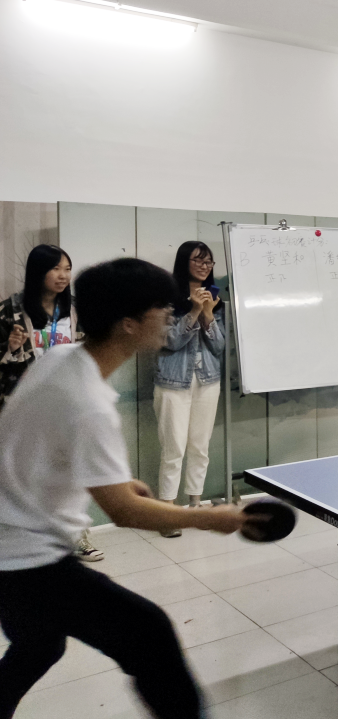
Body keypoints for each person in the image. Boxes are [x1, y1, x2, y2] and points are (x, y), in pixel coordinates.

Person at [0, 257, 252, 719]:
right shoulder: (88, 404)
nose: (171, 315)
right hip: (25, 560)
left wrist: (111, 479)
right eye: (162, 308)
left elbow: (39, 444)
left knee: (40, 644)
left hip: (8, 547)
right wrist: (209, 517)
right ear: (129, 324)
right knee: (149, 632)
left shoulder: (62, 359)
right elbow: (126, 512)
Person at [0, 245, 103, 562]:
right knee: (27, 473)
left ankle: (77, 537)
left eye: (67, 268)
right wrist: (10, 348)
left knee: (70, 471)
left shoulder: (76, 309)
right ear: (38, 272)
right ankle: (28, 538)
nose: (63, 275)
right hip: (25, 403)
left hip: (68, 402)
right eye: (55, 268)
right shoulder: (10, 311)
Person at [153, 242, 225, 538]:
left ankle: (195, 504)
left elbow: (219, 346)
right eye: (198, 260)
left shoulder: (215, 297)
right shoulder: (166, 298)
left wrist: (208, 314)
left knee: (199, 445)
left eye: (209, 262)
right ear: (184, 262)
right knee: (174, 449)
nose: (205, 266)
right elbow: (170, 341)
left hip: (208, 380)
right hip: (173, 382)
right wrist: (194, 310)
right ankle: (167, 513)